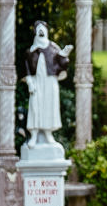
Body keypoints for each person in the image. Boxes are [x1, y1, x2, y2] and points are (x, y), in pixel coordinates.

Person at [23, 20, 73, 148]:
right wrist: (30, 82)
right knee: (35, 106)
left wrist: (64, 54)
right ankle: (33, 135)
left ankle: (48, 133)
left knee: (49, 106)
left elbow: (61, 63)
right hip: (36, 82)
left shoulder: (53, 47)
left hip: (50, 82)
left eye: (42, 28)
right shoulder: (31, 51)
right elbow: (27, 68)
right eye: (38, 28)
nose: (41, 31)